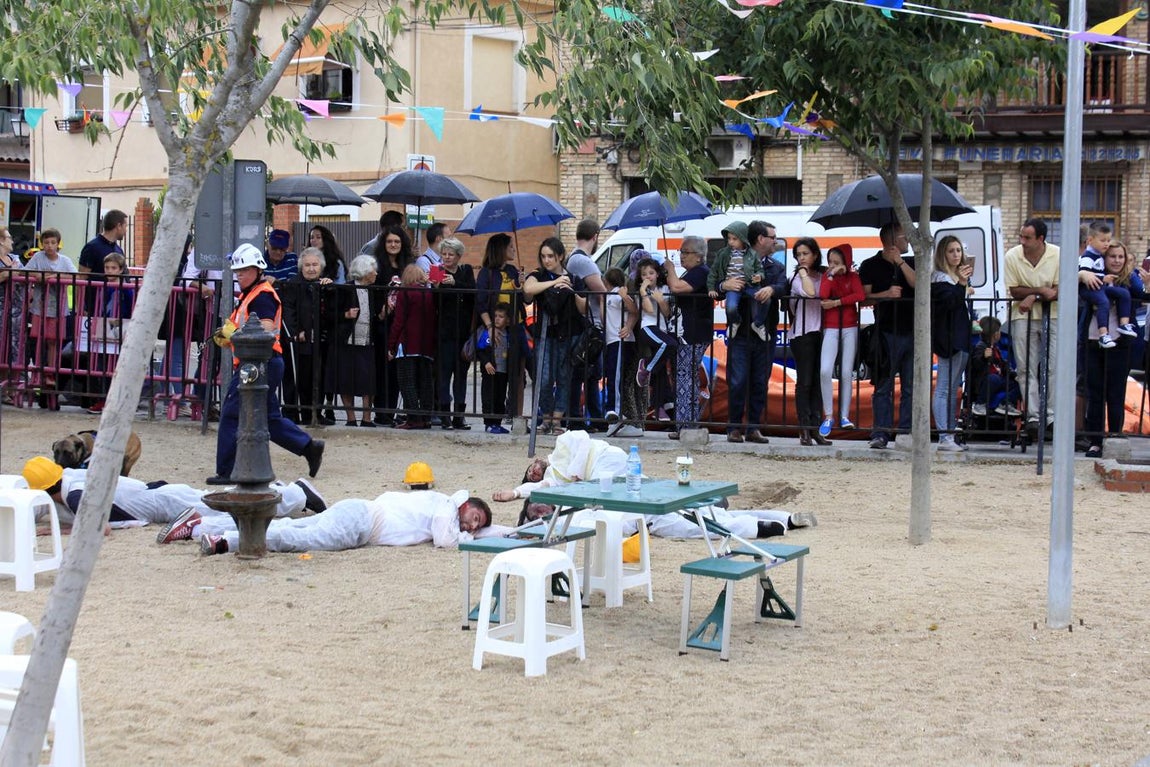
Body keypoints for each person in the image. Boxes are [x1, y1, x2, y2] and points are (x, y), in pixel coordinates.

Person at [207, 244, 325, 485]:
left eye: (244, 271)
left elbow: (266, 329)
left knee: (231, 413)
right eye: (237, 271)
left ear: (258, 270)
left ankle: (227, 471)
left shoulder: (261, 295)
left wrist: (234, 334)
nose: (239, 275)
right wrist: (231, 336)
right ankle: (308, 447)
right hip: (263, 363)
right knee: (269, 418)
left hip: (259, 364)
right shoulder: (253, 294)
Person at [19, 456, 324, 534]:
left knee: (231, 508)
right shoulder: (70, 477)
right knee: (226, 503)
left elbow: (101, 528)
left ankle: (295, 494)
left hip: (163, 502)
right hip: (160, 497)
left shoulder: (74, 494)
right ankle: (283, 492)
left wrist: (57, 530)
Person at [196, 490, 495, 555]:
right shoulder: (445, 506)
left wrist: (502, 533)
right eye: (474, 519)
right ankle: (227, 541)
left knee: (294, 528)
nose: (471, 527)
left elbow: (453, 532)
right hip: (361, 523)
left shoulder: (443, 506)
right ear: (466, 505)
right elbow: (445, 539)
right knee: (301, 539)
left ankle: (205, 527)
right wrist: (471, 539)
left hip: (358, 511)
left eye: (476, 526)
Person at [1080, 240, 1147, 458]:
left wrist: (1145, 283)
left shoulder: (1129, 279)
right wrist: (1083, 275)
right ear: (1104, 258)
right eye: (1112, 256)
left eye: (1120, 257)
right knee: (1095, 392)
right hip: (1092, 341)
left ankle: (1115, 437)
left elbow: (1142, 294)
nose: (1117, 261)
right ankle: (1095, 441)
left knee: (1116, 392)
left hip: (1120, 343)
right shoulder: (1093, 276)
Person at [723, 220, 786, 444]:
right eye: (772, 237)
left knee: (760, 382)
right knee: (737, 381)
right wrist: (724, 285)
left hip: (765, 333)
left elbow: (784, 286)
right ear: (760, 239)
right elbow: (717, 283)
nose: (775, 242)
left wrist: (772, 289)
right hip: (740, 333)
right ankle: (734, 427)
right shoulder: (734, 260)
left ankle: (753, 427)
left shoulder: (776, 267)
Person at [523, 237, 587, 435]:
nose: (547, 260)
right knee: (543, 378)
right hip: (545, 334)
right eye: (543, 256)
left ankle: (557, 421)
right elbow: (528, 289)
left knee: (564, 377)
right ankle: (546, 418)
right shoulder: (539, 274)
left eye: (551, 256)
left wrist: (571, 291)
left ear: (560, 256)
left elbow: (584, 308)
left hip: (568, 334)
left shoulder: (574, 278)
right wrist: (554, 282)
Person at [859, 222, 915, 449]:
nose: (908, 240)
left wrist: (900, 262)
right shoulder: (870, 265)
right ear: (893, 240)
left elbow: (918, 284)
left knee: (910, 386)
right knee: (883, 386)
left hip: (912, 332)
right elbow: (864, 298)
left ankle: (905, 432)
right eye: (905, 236)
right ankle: (880, 433)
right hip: (885, 332)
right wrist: (886, 294)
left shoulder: (911, 261)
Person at [1004, 218, 1059, 428]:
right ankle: (1034, 415)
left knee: (1053, 367)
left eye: (1027, 237)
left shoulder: (1057, 254)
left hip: (1053, 315)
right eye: (1021, 236)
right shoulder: (1012, 256)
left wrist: (1032, 296)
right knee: (1025, 367)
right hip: (1022, 316)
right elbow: (1014, 290)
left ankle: (1051, 415)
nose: (1022, 241)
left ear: (1040, 238)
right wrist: (1040, 291)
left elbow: (1059, 289)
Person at [928, 235, 974, 451]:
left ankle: (950, 433)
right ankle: (944, 436)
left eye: (958, 250)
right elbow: (949, 303)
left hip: (959, 337)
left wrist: (963, 285)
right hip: (948, 339)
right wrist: (962, 284)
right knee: (944, 388)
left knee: (953, 387)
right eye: (951, 251)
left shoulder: (954, 278)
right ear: (942, 255)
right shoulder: (939, 279)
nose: (956, 255)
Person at [326, 254, 383, 427]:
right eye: (373, 270)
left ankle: (367, 418)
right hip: (347, 341)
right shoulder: (345, 289)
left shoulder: (374, 290)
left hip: (367, 341)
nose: (376, 273)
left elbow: (377, 316)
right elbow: (329, 314)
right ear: (364, 271)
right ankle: (351, 418)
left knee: (369, 381)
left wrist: (383, 313)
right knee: (346, 380)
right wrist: (346, 315)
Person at [665, 237, 712, 441]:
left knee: (685, 376)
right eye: (681, 252)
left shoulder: (700, 272)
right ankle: (687, 423)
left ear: (699, 256)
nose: (682, 256)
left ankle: (684, 425)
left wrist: (670, 268)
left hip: (693, 334)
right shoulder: (691, 272)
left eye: (686, 252)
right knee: (685, 377)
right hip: (686, 333)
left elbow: (677, 287)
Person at [475, 233, 525, 425]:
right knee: (493, 374)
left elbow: (524, 299)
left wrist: (521, 285)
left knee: (516, 373)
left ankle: (512, 412)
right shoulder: (487, 273)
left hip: (515, 328)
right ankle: (492, 418)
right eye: (510, 246)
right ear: (501, 249)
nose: (513, 249)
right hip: (495, 328)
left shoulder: (513, 270)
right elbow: (481, 303)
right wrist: (490, 327)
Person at [280, 248, 334, 424]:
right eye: (307, 265)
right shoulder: (293, 284)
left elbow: (333, 309)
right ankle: (292, 413)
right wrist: (295, 332)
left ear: (321, 266)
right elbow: (287, 310)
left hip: (320, 340)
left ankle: (314, 414)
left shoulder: (324, 284)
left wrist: (330, 289)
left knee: (318, 377)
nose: (311, 269)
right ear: (301, 267)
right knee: (297, 378)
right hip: (299, 341)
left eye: (315, 265)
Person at [24, 227, 76, 404]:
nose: (49, 246)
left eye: (53, 242)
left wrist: (54, 277)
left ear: (58, 244)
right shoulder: (38, 258)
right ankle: (40, 370)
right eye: (46, 242)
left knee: (53, 340)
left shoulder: (65, 260)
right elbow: (26, 272)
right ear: (42, 244)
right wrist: (39, 276)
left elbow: (75, 276)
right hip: (40, 307)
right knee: (39, 339)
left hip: (58, 309)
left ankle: (51, 371)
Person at [564, 218, 607, 430]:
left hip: (588, 324)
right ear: (595, 236)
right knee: (583, 374)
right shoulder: (582, 261)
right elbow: (602, 291)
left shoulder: (576, 258)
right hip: (590, 325)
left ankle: (594, 418)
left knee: (591, 374)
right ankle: (577, 418)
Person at [818, 243, 864, 436]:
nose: (833, 266)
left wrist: (837, 302)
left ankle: (844, 415)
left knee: (846, 372)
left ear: (846, 262)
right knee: (825, 370)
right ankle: (828, 415)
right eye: (830, 262)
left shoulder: (853, 277)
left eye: (837, 262)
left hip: (849, 326)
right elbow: (823, 295)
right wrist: (830, 275)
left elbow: (859, 295)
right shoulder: (827, 276)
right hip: (830, 326)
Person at [788, 237, 829, 446]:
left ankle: (816, 429)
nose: (802, 258)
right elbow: (811, 293)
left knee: (818, 382)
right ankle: (804, 429)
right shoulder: (797, 277)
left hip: (822, 332)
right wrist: (803, 273)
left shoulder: (823, 275)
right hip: (802, 333)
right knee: (804, 382)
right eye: (798, 255)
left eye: (805, 253)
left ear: (815, 254)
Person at [85, 252, 137, 414]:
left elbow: (131, 308)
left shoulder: (127, 289)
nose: (109, 271)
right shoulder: (103, 286)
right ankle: (103, 399)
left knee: (116, 366)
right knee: (101, 365)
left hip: (120, 329)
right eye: (107, 267)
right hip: (104, 328)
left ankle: (118, 401)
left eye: (113, 268)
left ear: (121, 269)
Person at [432, 237, 475, 430]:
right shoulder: (437, 271)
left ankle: (459, 415)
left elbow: (472, 291)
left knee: (461, 375)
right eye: (444, 254)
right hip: (444, 332)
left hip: (463, 331)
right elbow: (435, 302)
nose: (447, 257)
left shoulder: (465, 271)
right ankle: (445, 415)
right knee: (444, 374)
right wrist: (437, 287)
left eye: (451, 254)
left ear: (458, 256)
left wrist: (455, 282)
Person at [372, 225, 413, 426]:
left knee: (398, 370)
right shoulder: (377, 265)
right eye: (389, 241)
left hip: (403, 324)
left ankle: (392, 411)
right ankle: (381, 412)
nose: (393, 244)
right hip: (383, 323)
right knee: (382, 369)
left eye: (397, 241)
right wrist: (381, 311)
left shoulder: (408, 265)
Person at [389, 263, 437, 430]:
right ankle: (426, 417)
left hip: (407, 342)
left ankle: (413, 418)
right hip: (426, 345)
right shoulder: (429, 293)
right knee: (425, 382)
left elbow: (399, 321)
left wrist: (391, 344)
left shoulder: (405, 292)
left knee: (407, 381)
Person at [632, 256, 678, 423]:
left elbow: (667, 313)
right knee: (669, 344)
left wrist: (661, 300)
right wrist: (644, 292)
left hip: (662, 329)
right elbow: (650, 310)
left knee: (661, 370)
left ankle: (660, 407)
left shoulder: (664, 288)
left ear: (658, 274)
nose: (648, 277)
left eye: (651, 273)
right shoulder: (640, 291)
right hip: (648, 327)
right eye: (644, 274)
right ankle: (646, 367)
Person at [707, 221, 768, 341]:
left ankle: (758, 324)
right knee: (730, 308)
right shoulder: (723, 254)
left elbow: (760, 270)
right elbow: (713, 272)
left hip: (750, 285)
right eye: (729, 238)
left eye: (734, 239)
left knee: (765, 300)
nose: (730, 242)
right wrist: (711, 288)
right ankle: (735, 321)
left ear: (743, 238)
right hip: (733, 287)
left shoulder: (752, 254)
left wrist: (759, 276)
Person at [1077, 222, 1135, 349]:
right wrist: (1099, 277)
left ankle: (1124, 325)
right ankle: (1103, 334)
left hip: (1101, 288)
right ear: (1090, 240)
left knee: (1123, 294)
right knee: (1103, 302)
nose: (1106, 244)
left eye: (1108, 240)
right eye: (1103, 240)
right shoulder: (1088, 256)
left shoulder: (1099, 256)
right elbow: (1086, 274)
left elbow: (1140, 291)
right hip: (1091, 290)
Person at [477, 302, 528, 434]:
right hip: (490, 373)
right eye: (495, 316)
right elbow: (481, 350)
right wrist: (486, 363)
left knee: (500, 399)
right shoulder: (489, 333)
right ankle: (489, 423)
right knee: (489, 398)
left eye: (501, 316)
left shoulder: (510, 334)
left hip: (503, 372)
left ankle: (497, 423)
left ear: (508, 320)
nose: (497, 319)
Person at [969, 316, 1021, 419]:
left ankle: (1006, 403)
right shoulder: (981, 346)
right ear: (996, 334)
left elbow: (1003, 364)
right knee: (993, 379)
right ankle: (980, 404)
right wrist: (984, 357)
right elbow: (976, 365)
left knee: (1018, 383)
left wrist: (1014, 375)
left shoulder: (996, 348)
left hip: (997, 379)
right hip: (985, 381)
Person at [0, 226, 25, 398]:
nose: (12, 241)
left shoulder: (15, 258)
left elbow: (23, 274)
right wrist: (8, 274)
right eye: (9, 237)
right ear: (1, 241)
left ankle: (8, 388)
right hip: (1, 307)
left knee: (13, 348)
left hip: (16, 310)